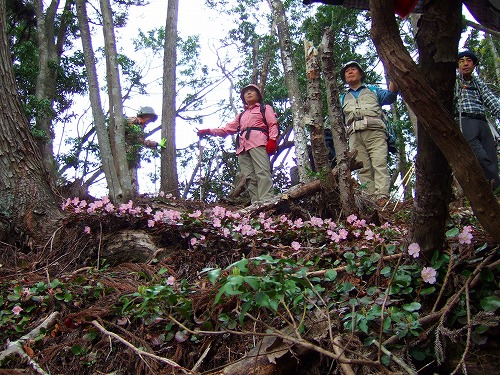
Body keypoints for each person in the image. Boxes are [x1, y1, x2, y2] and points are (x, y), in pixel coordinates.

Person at [197, 84, 279, 204]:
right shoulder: (241, 115)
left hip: (258, 142)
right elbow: (226, 130)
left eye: (252, 91)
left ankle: (267, 201)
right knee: (250, 177)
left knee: (262, 172)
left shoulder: (265, 108)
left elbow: (273, 124)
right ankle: (256, 203)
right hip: (243, 148)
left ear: (258, 95)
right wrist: (209, 131)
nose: (249, 93)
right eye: (246, 93)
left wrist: (272, 140)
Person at [340, 61, 398, 202]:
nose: (350, 72)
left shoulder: (373, 90)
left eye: (353, 69)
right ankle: (370, 199)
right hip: (354, 135)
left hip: (375, 131)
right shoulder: (342, 98)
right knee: (362, 168)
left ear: (360, 74)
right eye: (347, 71)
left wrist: (396, 76)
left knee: (379, 163)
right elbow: (340, 120)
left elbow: (390, 96)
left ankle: (382, 196)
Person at [454, 50, 500, 190]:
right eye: (461, 61)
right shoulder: (454, 82)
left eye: (469, 60)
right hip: (465, 120)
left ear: (474, 65)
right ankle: (485, 187)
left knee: (491, 156)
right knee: (478, 155)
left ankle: (494, 190)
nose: (465, 64)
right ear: (457, 66)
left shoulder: (478, 83)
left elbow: (491, 101)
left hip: (482, 122)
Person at [126, 106, 166, 192]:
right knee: (127, 177)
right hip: (125, 154)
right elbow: (124, 124)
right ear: (144, 115)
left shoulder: (140, 128)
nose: (150, 121)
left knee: (132, 177)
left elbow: (141, 141)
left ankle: (132, 195)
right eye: (150, 118)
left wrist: (156, 144)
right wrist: (137, 121)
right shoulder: (134, 121)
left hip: (132, 155)